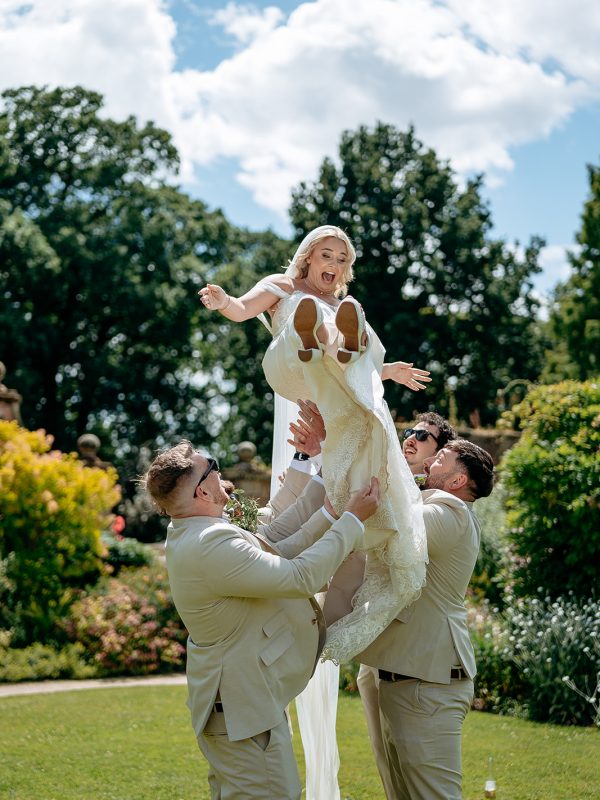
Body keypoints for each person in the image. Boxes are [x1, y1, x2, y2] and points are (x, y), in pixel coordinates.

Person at [199, 225, 430, 662]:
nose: (334, 265)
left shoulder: (344, 305)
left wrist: (388, 371)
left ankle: (334, 345)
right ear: (308, 257)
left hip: (330, 378)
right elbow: (243, 309)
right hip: (290, 367)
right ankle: (312, 339)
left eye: (342, 260)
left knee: (352, 326)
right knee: (311, 314)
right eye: (327, 255)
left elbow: (361, 373)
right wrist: (223, 301)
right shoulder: (284, 285)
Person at [143, 439, 379, 800]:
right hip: (243, 713)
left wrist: (332, 514)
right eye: (212, 466)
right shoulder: (210, 543)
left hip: (243, 707)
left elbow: (277, 552)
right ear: (202, 490)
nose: (220, 471)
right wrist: (351, 521)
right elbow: (299, 577)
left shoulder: (198, 532)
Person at [357, 438, 494, 800]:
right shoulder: (437, 505)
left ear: (457, 481)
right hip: (408, 681)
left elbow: (395, 523)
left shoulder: (450, 513)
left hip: (428, 688)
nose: (430, 460)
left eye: (441, 458)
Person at [356, 411, 458, 799]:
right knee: (387, 765)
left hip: (415, 654)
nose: (411, 437)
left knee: (422, 778)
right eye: (409, 431)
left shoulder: (441, 504)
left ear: (440, 453)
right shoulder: (379, 480)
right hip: (375, 646)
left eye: (423, 435)